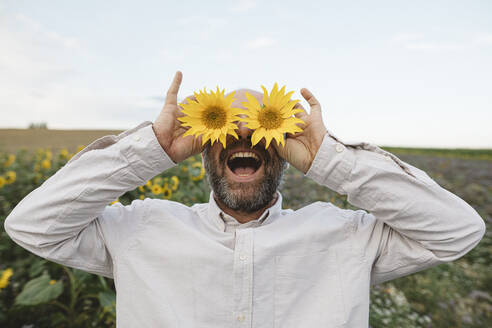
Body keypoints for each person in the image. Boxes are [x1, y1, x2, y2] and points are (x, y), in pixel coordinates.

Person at [4, 71, 485, 327]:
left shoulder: (345, 236)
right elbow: (32, 225)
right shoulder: (140, 231)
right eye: (223, 130)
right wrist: (152, 148)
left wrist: (330, 158)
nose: (245, 140)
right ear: (201, 152)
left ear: (285, 153)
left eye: (262, 130)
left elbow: (458, 230)